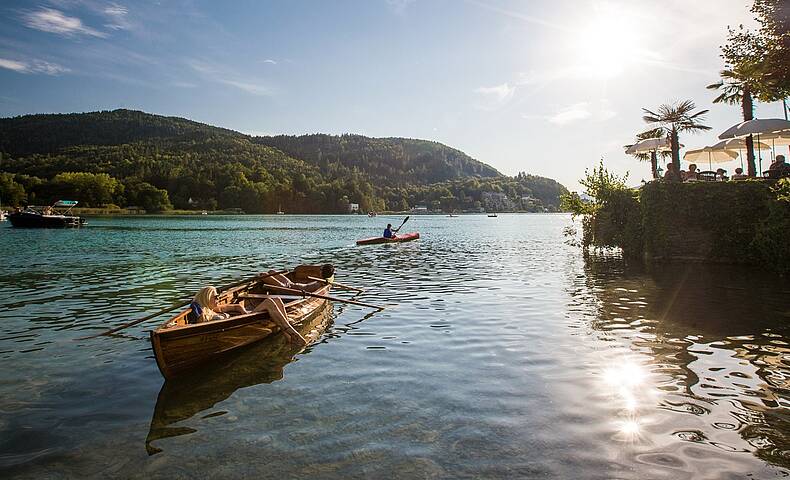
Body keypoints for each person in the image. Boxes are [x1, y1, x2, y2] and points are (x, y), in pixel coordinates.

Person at [190, 285, 307, 345]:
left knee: (276, 299)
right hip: (238, 323)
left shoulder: (215, 308)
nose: (218, 299)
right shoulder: (201, 311)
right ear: (207, 298)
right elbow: (199, 322)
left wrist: (245, 313)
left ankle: (287, 334)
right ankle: (292, 333)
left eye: (218, 297)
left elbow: (237, 306)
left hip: (246, 317)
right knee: (270, 302)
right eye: (215, 297)